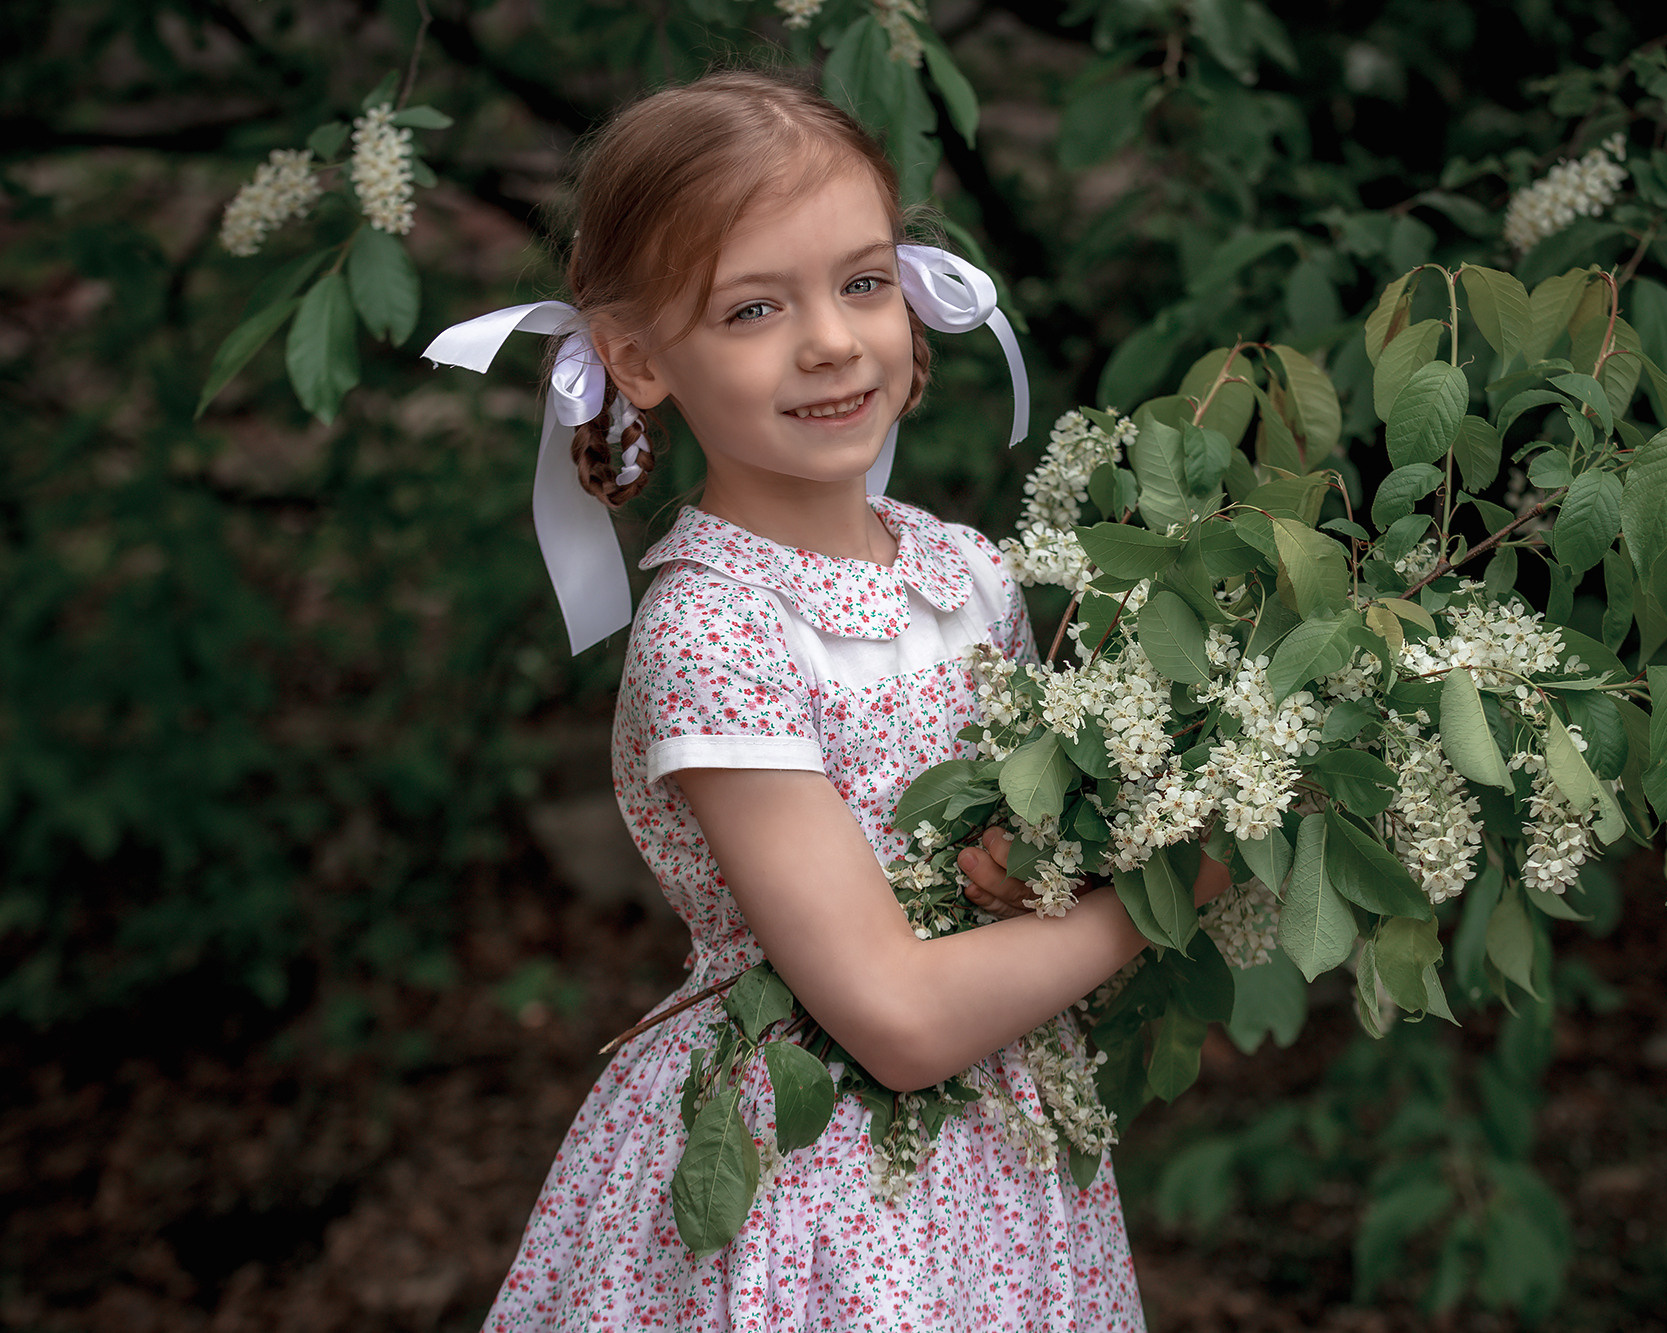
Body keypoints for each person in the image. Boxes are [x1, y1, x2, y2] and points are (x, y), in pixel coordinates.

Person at [432, 69, 1227, 1331]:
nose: (831, 340)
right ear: (637, 359)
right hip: (808, 1182)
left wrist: (1038, 856)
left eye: (862, 282)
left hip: (1002, 1158)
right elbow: (898, 1020)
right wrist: (1172, 890)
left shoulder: (963, 567)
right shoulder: (717, 631)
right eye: (753, 307)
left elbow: (999, 864)